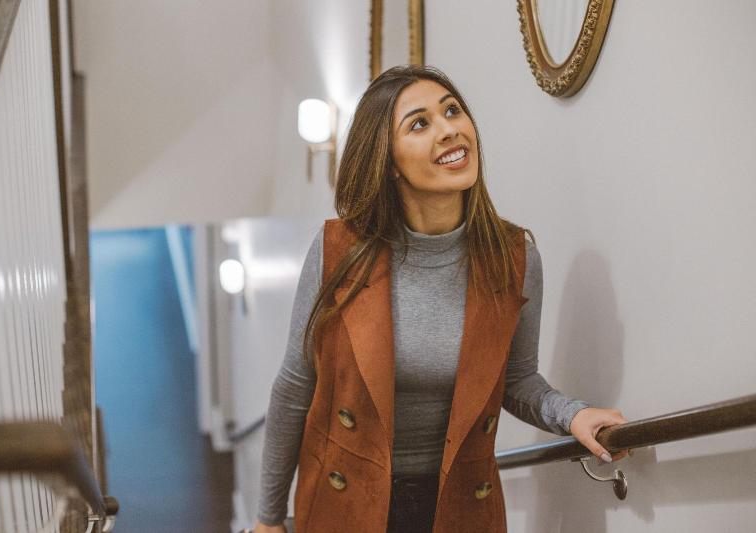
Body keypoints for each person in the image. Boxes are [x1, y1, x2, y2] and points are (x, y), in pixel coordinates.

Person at [250, 65, 629, 533]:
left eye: (452, 111)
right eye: (419, 123)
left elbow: (516, 380)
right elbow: (294, 387)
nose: (449, 129)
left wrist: (574, 415)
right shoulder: (339, 252)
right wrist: (268, 519)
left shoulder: (513, 257)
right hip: (347, 500)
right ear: (389, 162)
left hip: (458, 503)